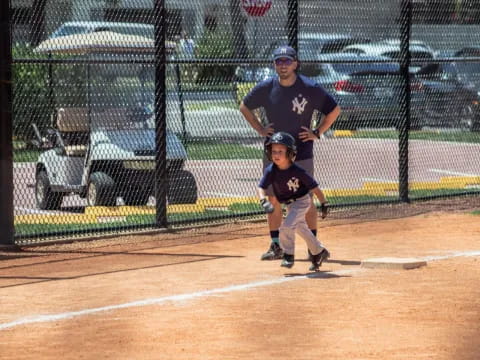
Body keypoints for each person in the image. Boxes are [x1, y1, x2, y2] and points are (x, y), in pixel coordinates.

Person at [240, 45, 341, 261]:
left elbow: (334, 110)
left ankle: (313, 249)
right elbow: (244, 106)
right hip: (274, 153)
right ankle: (276, 245)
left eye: (287, 61)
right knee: (272, 198)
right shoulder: (267, 87)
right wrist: (259, 128)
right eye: (279, 61)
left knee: (305, 200)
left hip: (301, 153)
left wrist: (318, 132)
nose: (283, 65)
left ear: (296, 63)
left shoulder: (310, 87)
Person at [258, 131, 329, 271]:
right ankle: (319, 251)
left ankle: (288, 255)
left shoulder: (297, 170)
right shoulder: (271, 170)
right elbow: (261, 187)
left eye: (280, 151)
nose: (276, 155)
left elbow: (314, 187)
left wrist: (324, 202)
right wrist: (263, 201)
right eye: (273, 151)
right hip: (290, 204)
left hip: (302, 201)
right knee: (301, 229)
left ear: (290, 153)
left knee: (286, 227)